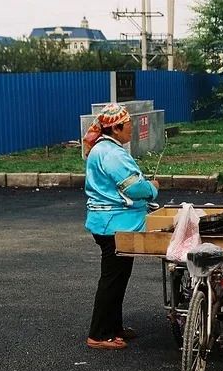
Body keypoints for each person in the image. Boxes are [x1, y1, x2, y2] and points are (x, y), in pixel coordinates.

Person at [83, 103, 159, 350]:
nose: (132, 130)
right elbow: (133, 187)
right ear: (116, 128)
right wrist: (153, 188)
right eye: (128, 126)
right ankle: (99, 334)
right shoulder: (113, 154)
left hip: (108, 222)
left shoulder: (103, 149)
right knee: (112, 279)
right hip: (114, 224)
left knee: (117, 277)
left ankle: (113, 327)